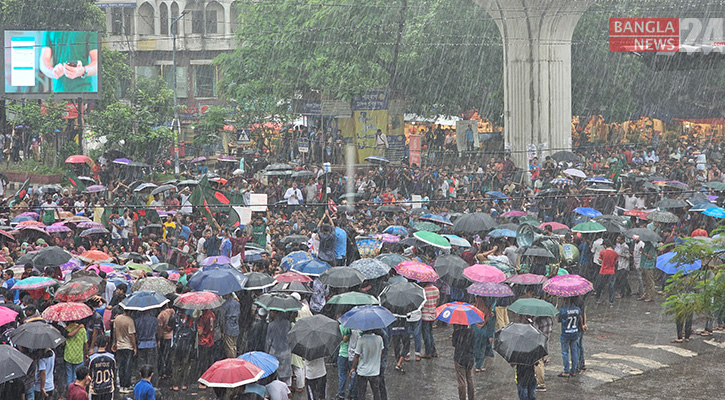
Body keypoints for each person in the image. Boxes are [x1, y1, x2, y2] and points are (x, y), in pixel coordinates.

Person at [350, 330, 383, 400]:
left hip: (362, 371)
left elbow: (356, 355)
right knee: (376, 392)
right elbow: (382, 353)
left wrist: (353, 367)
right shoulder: (379, 338)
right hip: (375, 371)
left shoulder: (361, 340)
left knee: (361, 393)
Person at [112, 306, 137, 394]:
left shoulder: (117, 319)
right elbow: (131, 335)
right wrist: (134, 347)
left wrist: (114, 342)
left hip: (119, 346)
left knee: (121, 366)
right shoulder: (130, 321)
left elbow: (114, 331)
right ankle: (126, 385)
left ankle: (122, 385)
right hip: (128, 346)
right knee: (128, 366)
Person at [557, 298, 581, 378]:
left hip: (566, 333)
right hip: (574, 333)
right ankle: (574, 370)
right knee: (574, 351)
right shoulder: (578, 309)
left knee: (565, 352)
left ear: (566, 300)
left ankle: (566, 371)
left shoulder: (563, 310)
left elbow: (559, 319)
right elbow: (579, 319)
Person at [88, 335, 115, 400]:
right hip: (108, 388)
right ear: (106, 344)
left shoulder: (92, 358)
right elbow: (113, 372)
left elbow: (89, 374)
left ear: (96, 344)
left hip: (95, 389)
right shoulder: (111, 357)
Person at [452, 324, 475, 400]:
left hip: (459, 358)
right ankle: (471, 397)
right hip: (470, 358)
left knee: (461, 381)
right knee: (470, 379)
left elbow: (454, 344)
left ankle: (462, 398)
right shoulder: (472, 332)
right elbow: (473, 344)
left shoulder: (456, 333)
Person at [64, 319, 87, 387]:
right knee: (77, 376)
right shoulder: (82, 330)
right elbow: (85, 343)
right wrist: (86, 353)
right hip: (78, 355)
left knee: (69, 376)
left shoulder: (66, 329)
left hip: (68, 355)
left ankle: (70, 391)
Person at [596, 241, 618, 306]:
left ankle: (598, 298)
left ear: (605, 245)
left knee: (600, 285)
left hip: (603, 271)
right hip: (611, 271)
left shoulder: (602, 252)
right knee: (611, 286)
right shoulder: (615, 253)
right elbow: (616, 262)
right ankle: (611, 301)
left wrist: (602, 261)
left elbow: (600, 261)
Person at [421, 282, 439, 359]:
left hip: (425, 315)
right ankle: (433, 351)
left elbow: (421, 303)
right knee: (430, 332)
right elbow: (437, 302)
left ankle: (428, 352)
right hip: (433, 314)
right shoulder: (436, 289)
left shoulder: (423, 290)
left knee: (426, 334)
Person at [219, 293, 240, 358]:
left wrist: (222, 330)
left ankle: (232, 360)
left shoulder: (225, 305)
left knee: (229, 347)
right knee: (234, 345)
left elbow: (222, 319)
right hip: (235, 326)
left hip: (228, 327)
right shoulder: (237, 303)